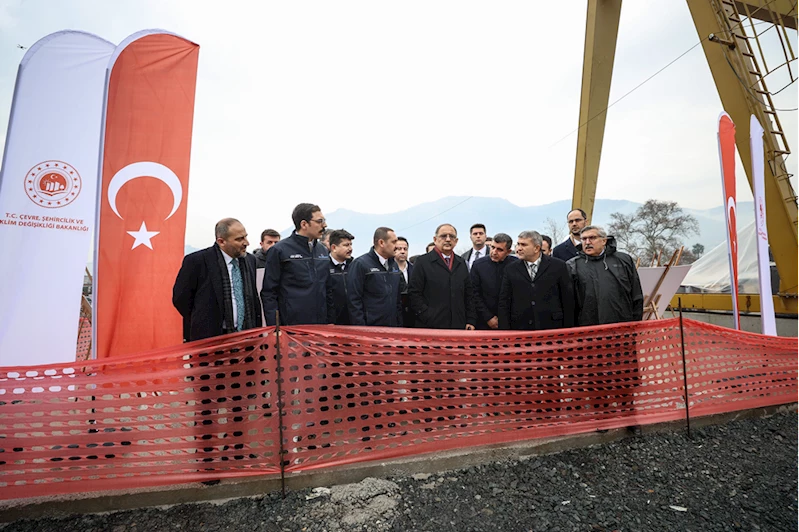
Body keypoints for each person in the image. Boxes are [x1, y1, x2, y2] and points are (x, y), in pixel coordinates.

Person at [173, 218, 262, 342]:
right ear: (221, 241)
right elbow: (181, 299)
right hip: (210, 340)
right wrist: (202, 320)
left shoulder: (250, 261)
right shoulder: (197, 262)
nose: (246, 242)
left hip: (246, 338)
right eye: (239, 239)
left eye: (245, 237)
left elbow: (253, 298)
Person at [261, 203, 334, 325]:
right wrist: (275, 327)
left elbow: (328, 288)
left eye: (324, 220)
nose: (324, 225)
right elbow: (269, 292)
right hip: (292, 326)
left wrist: (331, 321)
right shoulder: (280, 250)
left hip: (321, 325)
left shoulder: (323, 250)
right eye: (319, 221)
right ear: (304, 224)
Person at [567, 225, 643, 326]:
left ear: (604, 241)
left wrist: (636, 323)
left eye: (592, 238)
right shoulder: (573, 266)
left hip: (622, 325)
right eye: (584, 239)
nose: (588, 242)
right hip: (587, 328)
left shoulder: (623, 260)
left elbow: (636, 293)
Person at [498, 230, 574, 330]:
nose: (519, 248)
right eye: (518, 244)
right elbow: (504, 302)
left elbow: (567, 299)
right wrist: (505, 331)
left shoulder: (558, 266)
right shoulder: (510, 269)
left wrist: (568, 330)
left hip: (552, 328)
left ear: (536, 248)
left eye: (524, 245)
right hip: (520, 328)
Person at [409, 223, 476, 330]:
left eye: (452, 236)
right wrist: (427, 315)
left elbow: (468, 294)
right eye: (443, 236)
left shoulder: (461, 263)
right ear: (435, 239)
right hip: (431, 326)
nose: (448, 239)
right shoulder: (422, 262)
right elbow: (414, 293)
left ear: (456, 241)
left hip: (458, 324)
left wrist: (470, 320)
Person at [347, 227, 403, 326]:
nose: (397, 246)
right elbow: (354, 300)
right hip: (371, 329)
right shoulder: (361, 264)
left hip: (392, 329)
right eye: (393, 242)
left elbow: (397, 300)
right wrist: (361, 328)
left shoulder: (394, 266)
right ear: (381, 243)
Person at [470, 233, 517, 330]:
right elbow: (474, 294)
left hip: (511, 321)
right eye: (492, 247)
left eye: (499, 250)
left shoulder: (516, 265)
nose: (494, 252)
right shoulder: (478, 265)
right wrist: (488, 317)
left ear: (508, 252)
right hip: (484, 322)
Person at [328, 229, 355, 325]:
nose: (350, 249)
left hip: (353, 320)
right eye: (346, 245)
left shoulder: (355, 265)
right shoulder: (324, 267)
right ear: (334, 247)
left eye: (351, 244)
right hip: (332, 322)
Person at [394, 236, 415, 327]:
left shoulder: (415, 269)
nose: (402, 251)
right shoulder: (388, 270)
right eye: (399, 249)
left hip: (412, 316)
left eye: (405, 249)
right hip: (395, 315)